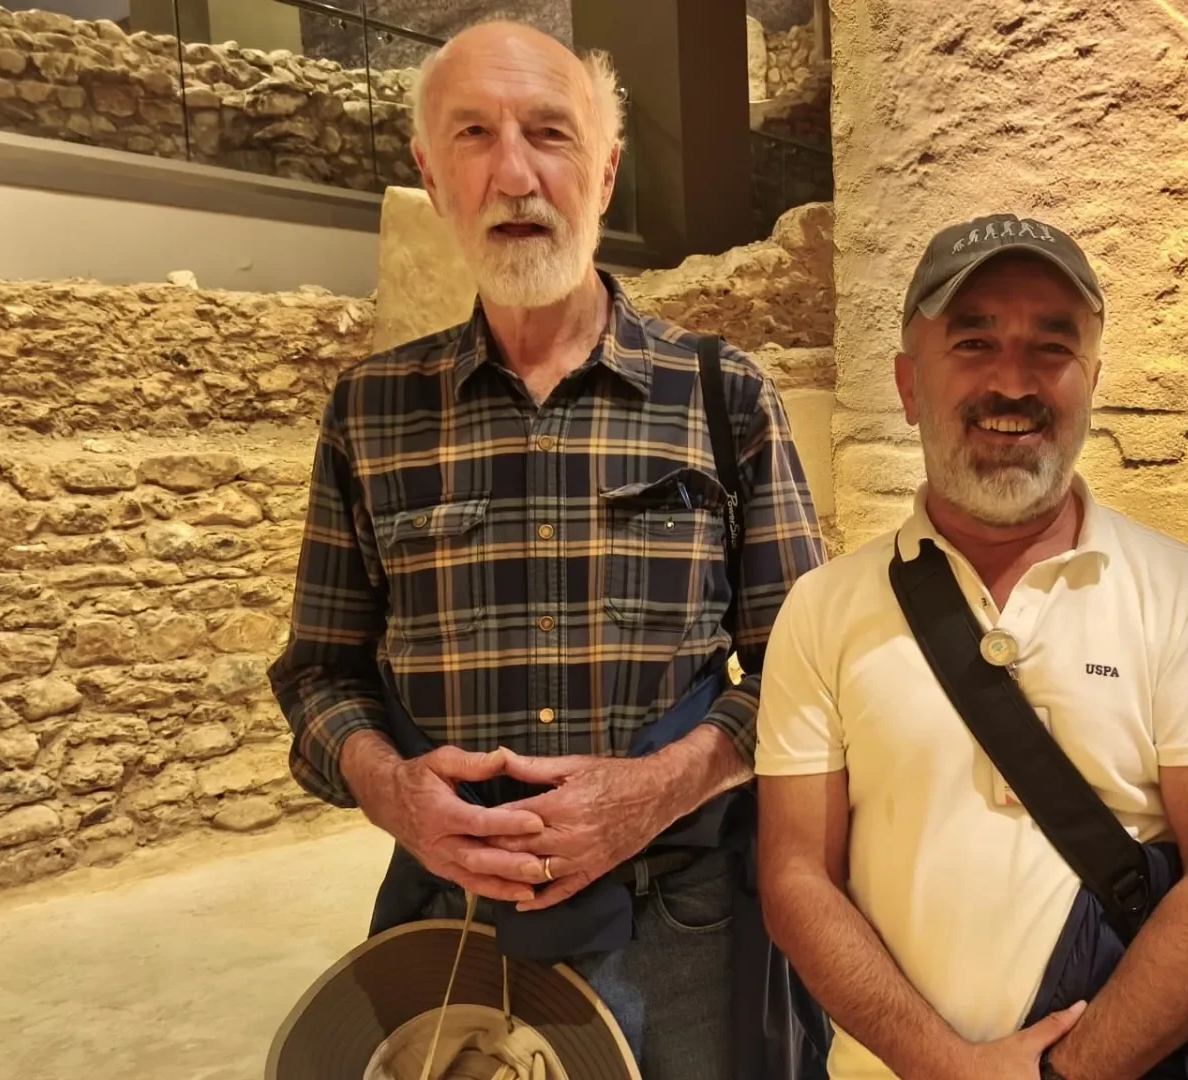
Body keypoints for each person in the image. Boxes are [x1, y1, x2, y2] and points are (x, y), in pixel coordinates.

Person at [267, 20, 827, 1078]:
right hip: (450, 939)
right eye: (475, 134)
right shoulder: (372, 415)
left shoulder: (723, 399)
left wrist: (654, 790)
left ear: (605, 172)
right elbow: (318, 675)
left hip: (686, 940)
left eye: (551, 134)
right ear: (433, 177)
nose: (516, 173)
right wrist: (388, 787)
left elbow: (809, 682)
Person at [753, 214, 1188, 1080]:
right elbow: (798, 880)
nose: (1013, 382)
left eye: (1051, 349)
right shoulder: (822, 610)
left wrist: (1064, 1074)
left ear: (1091, 381)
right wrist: (944, 1065)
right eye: (975, 342)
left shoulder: (1184, 594)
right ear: (911, 386)